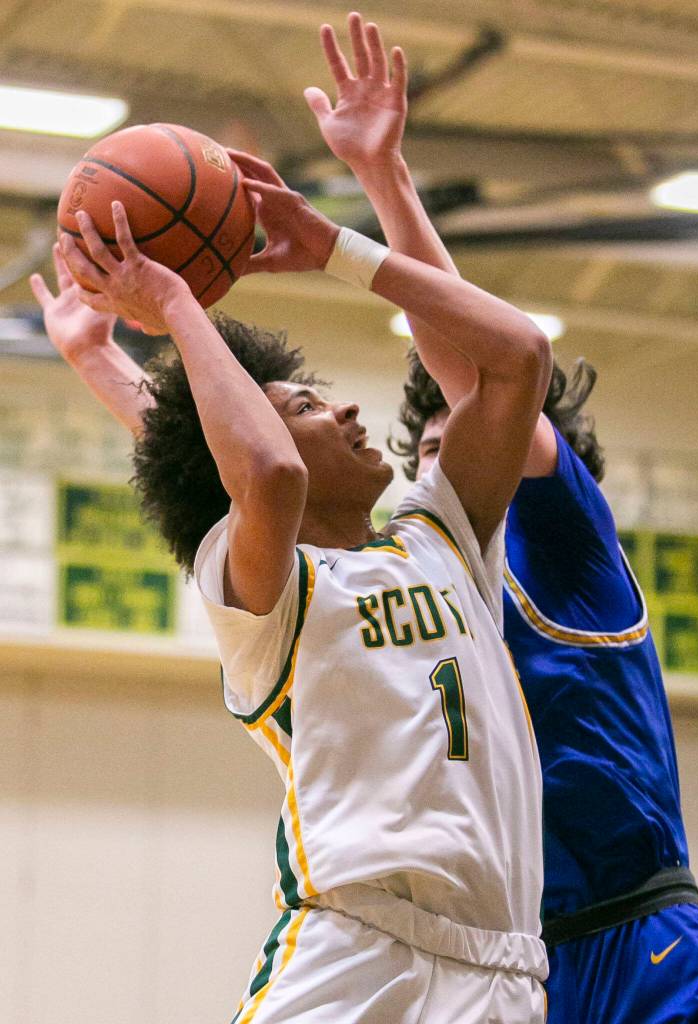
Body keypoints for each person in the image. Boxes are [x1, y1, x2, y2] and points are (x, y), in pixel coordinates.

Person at [39, 123, 552, 1023]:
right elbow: (262, 472)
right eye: (308, 404)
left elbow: (518, 357)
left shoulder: (443, 539)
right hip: (355, 956)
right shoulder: (263, 594)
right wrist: (171, 304)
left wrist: (335, 248)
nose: (349, 404)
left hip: (503, 969)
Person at [307, 15, 698, 1022]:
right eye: (421, 460)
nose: (436, 471)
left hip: (638, 942)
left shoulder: (565, 544)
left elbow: (480, 372)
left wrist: (383, 184)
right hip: (509, 969)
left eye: (455, 446)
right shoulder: (422, 605)